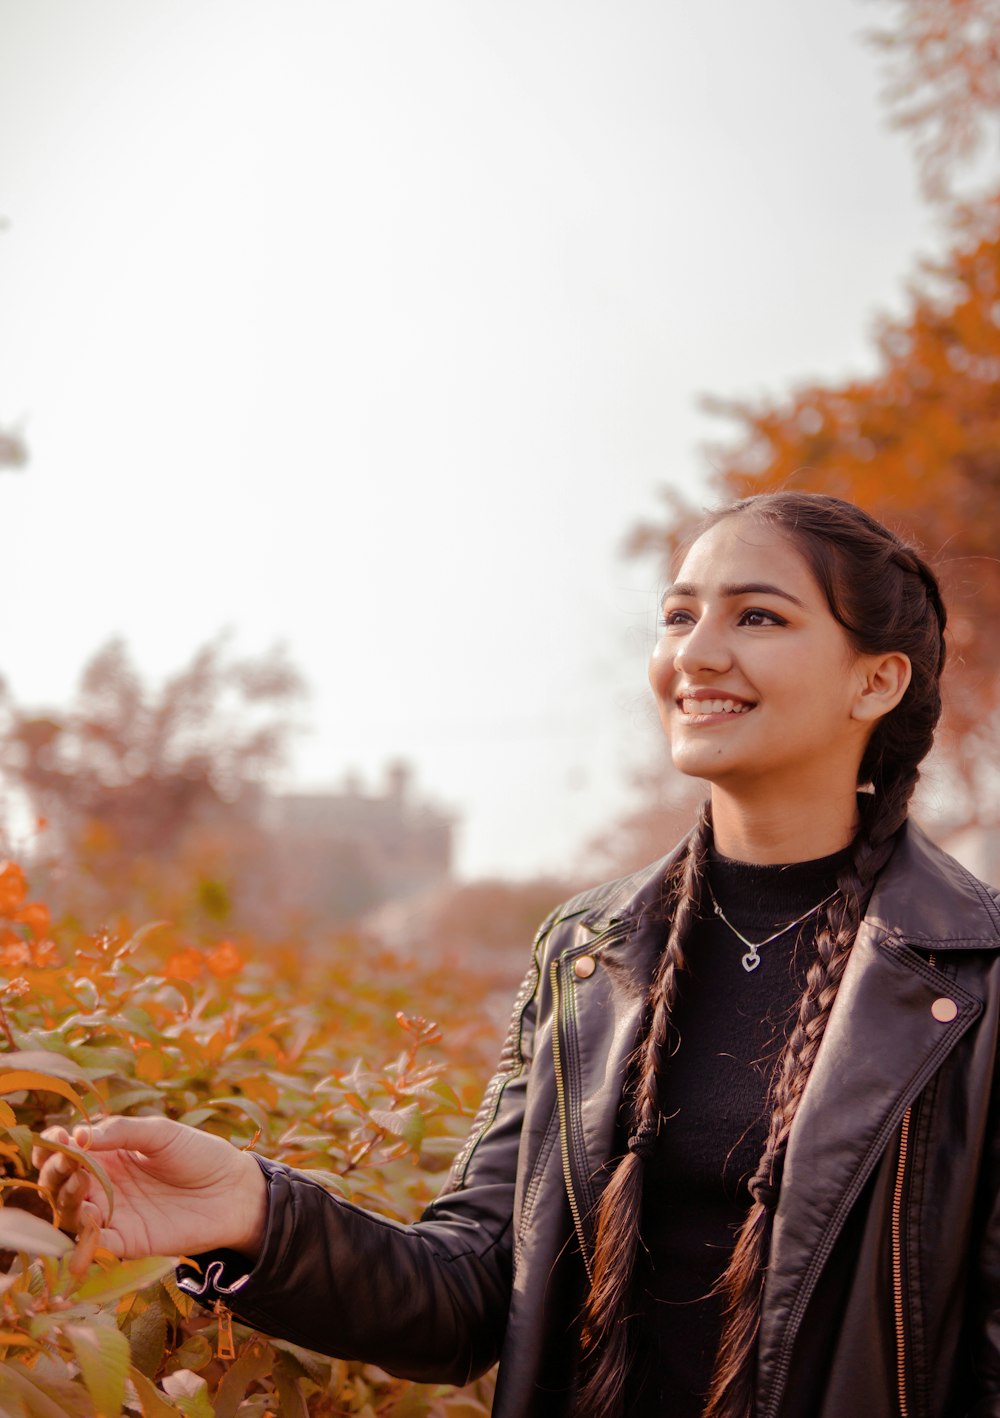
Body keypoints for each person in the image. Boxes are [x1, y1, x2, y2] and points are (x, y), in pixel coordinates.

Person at [36, 491, 1000, 1418]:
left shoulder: (974, 974)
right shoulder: (591, 955)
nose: (695, 655)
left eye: (758, 618)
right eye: (676, 616)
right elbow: (470, 1293)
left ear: (875, 681)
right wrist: (254, 1212)